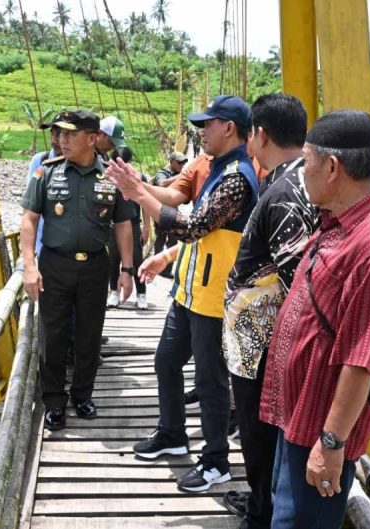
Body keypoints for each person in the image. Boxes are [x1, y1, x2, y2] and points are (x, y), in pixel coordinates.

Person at [260, 110, 370, 528]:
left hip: (319, 427)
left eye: (305, 160)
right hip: (298, 415)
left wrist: (331, 443)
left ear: (331, 167)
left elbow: (361, 359)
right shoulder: (340, 223)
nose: (299, 171)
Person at [106, 95, 260, 493]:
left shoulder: (238, 177)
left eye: (206, 124)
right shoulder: (215, 169)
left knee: (210, 383)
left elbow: (196, 226)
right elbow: (201, 229)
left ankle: (215, 462)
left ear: (228, 128)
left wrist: (139, 194)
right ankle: (173, 434)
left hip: (213, 300)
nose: (201, 131)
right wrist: (168, 258)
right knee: (166, 362)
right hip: (189, 292)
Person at [219, 94, 318, 528]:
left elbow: (301, 281)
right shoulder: (298, 182)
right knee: (261, 434)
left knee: (258, 436)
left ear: (259, 135)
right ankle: (261, 502)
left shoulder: (283, 191)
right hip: (262, 340)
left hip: (261, 343)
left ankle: (261, 514)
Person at [20, 110, 135, 431]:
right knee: (52, 336)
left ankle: (82, 395)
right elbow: (29, 220)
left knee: (88, 336)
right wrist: (30, 266)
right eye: (60, 134)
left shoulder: (111, 176)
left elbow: (123, 223)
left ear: (92, 137)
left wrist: (127, 269)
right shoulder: (46, 172)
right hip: (54, 265)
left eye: (70, 134)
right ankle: (53, 402)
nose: (62, 140)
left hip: (96, 266)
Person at [107, 146, 151, 310]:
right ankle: (114, 292)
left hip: (133, 223)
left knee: (138, 259)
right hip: (113, 225)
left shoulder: (140, 177)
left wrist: (146, 227)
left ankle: (141, 293)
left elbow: (145, 204)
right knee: (113, 259)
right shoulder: (109, 177)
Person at [25, 113, 65, 254]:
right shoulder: (39, 160)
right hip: (44, 246)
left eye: (59, 135)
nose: (54, 141)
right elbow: (30, 206)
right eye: (52, 135)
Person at [150, 152, 188, 274]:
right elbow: (161, 184)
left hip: (173, 212)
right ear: (171, 162)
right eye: (179, 162)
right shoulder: (163, 173)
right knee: (160, 239)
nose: (182, 165)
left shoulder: (179, 174)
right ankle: (155, 264)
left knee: (173, 240)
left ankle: (166, 270)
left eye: (183, 163)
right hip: (160, 211)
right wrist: (179, 177)